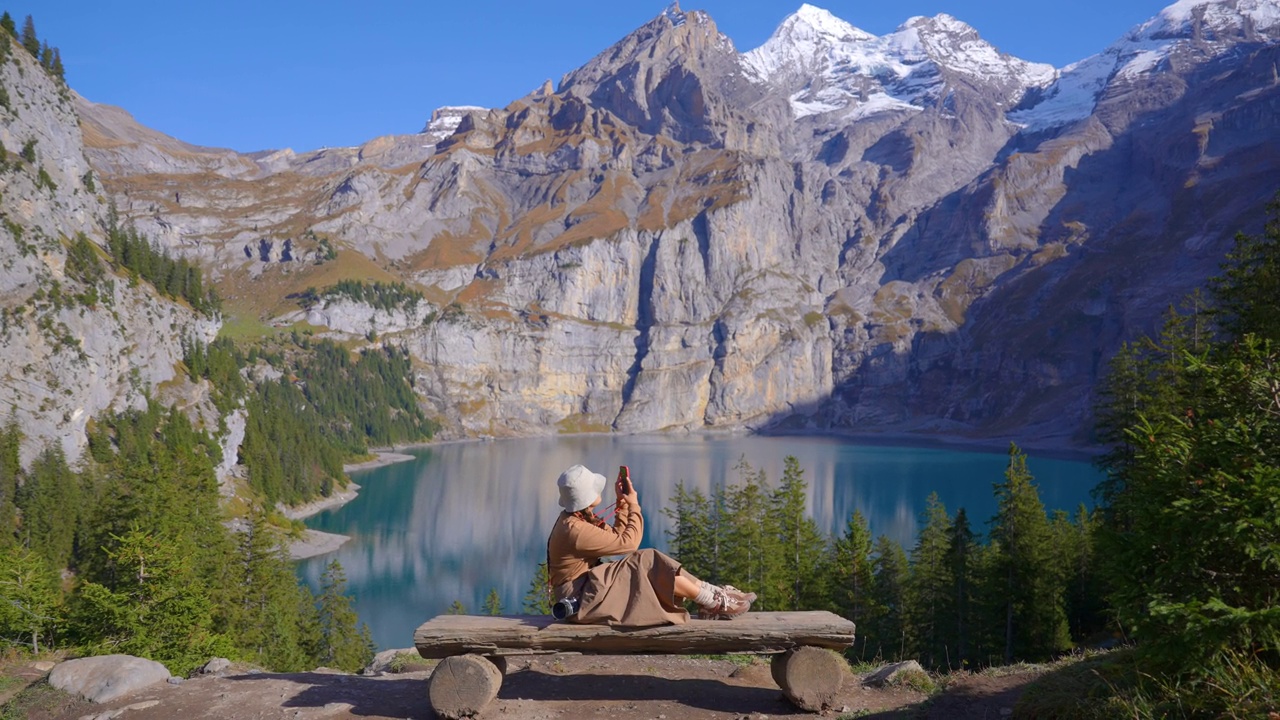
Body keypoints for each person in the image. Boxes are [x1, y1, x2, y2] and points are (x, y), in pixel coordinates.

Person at [546, 464, 755, 627]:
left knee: (651, 563)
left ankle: (711, 595)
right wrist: (635, 505)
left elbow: (617, 536)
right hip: (580, 602)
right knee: (646, 560)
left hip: (587, 590)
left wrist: (623, 506)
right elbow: (629, 543)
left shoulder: (577, 519)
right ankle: (712, 602)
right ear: (588, 496)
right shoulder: (575, 530)